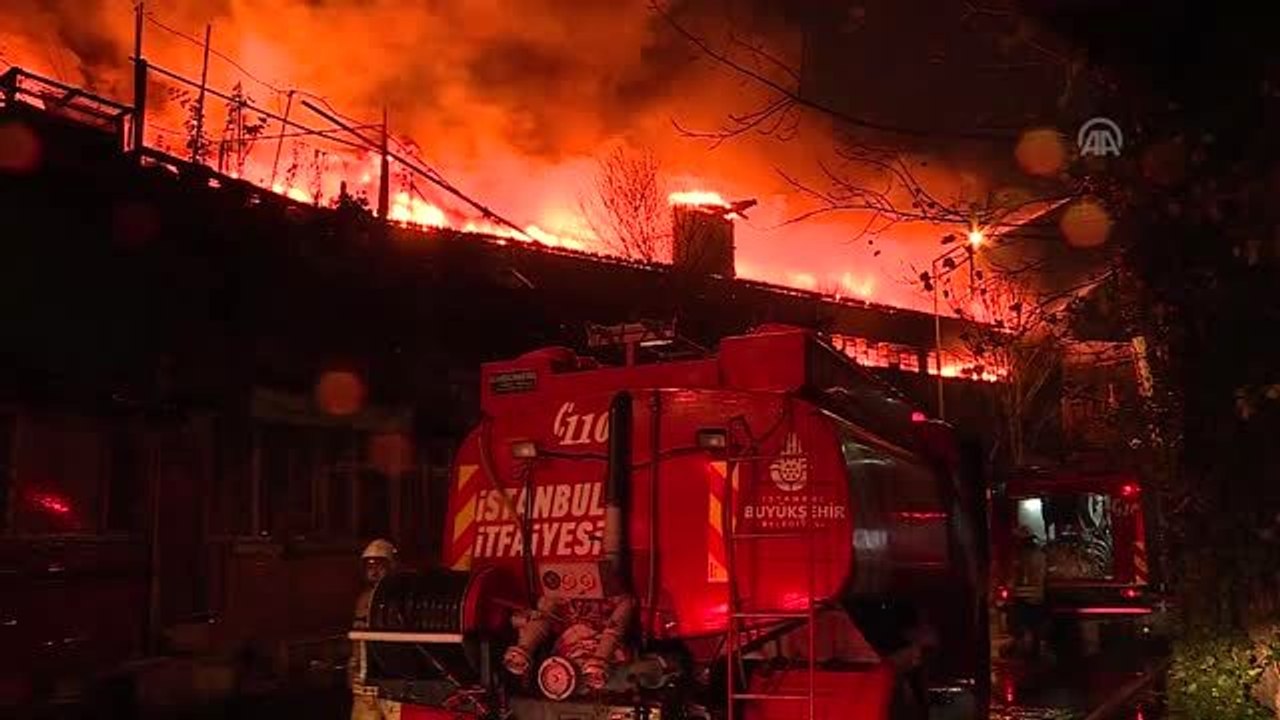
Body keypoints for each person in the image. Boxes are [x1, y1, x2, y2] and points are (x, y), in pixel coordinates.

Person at [351, 539, 400, 720]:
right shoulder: (363, 599)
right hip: (365, 684)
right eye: (369, 565)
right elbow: (358, 640)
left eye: (380, 565)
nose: (373, 570)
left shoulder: (399, 599)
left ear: (391, 566)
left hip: (393, 684)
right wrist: (355, 670)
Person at [1009, 525, 1047, 659]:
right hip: (1037, 597)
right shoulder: (1040, 554)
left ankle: (1024, 653)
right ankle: (1033, 653)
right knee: (1034, 628)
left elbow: (1018, 578)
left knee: (1021, 626)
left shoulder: (1022, 557)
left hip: (1024, 597)